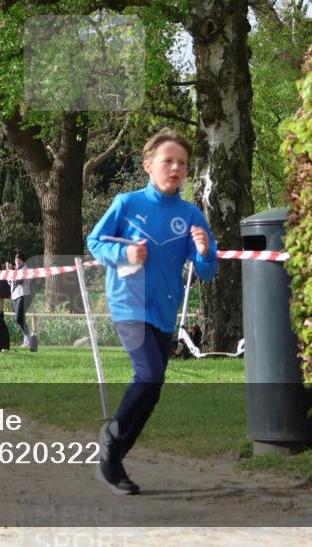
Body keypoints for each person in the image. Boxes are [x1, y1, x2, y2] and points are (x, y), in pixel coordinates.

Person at [87, 128, 218, 495]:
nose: (175, 168)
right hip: (129, 303)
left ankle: (113, 454)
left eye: (183, 164)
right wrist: (124, 254)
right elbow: (94, 242)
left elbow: (208, 270)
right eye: (168, 161)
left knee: (153, 385)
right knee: (149, 374)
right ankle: (111, 448)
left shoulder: (191, 214)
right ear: (148, 165)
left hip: (164, 311)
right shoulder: (126, 204)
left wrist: (205, 251)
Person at [8, 250, 33, 347]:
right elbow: (9, 283)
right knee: (20, 318)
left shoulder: (25, 269)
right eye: (16, 260)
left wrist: (11, 272)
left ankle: (28, 339)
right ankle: (27, 340)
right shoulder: (16, 270)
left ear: (23, 261)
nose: (17, 262)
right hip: (15, 296)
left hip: (24, 295)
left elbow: (18, 281)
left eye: (19, 260)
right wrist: (10, 272)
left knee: (19, 318)